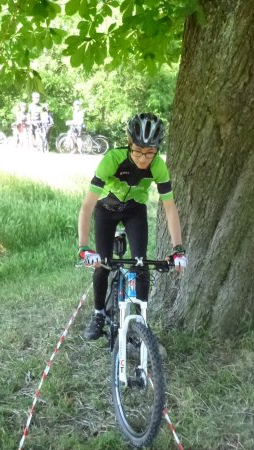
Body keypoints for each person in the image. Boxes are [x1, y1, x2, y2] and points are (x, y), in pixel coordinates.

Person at [78, 112, 187, 340]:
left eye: (150, 152)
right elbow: (87, 206)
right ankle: (98, 313)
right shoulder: (112, 159)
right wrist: (84, 247)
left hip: (134, 211)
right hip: (106, 210)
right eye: (138, 150)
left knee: (141, 264)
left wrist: (178, 249)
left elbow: (170, 207)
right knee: (102, 264)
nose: (144, 158)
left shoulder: (158, 166)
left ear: (157, 149)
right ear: (129, 143)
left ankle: (140, 322)